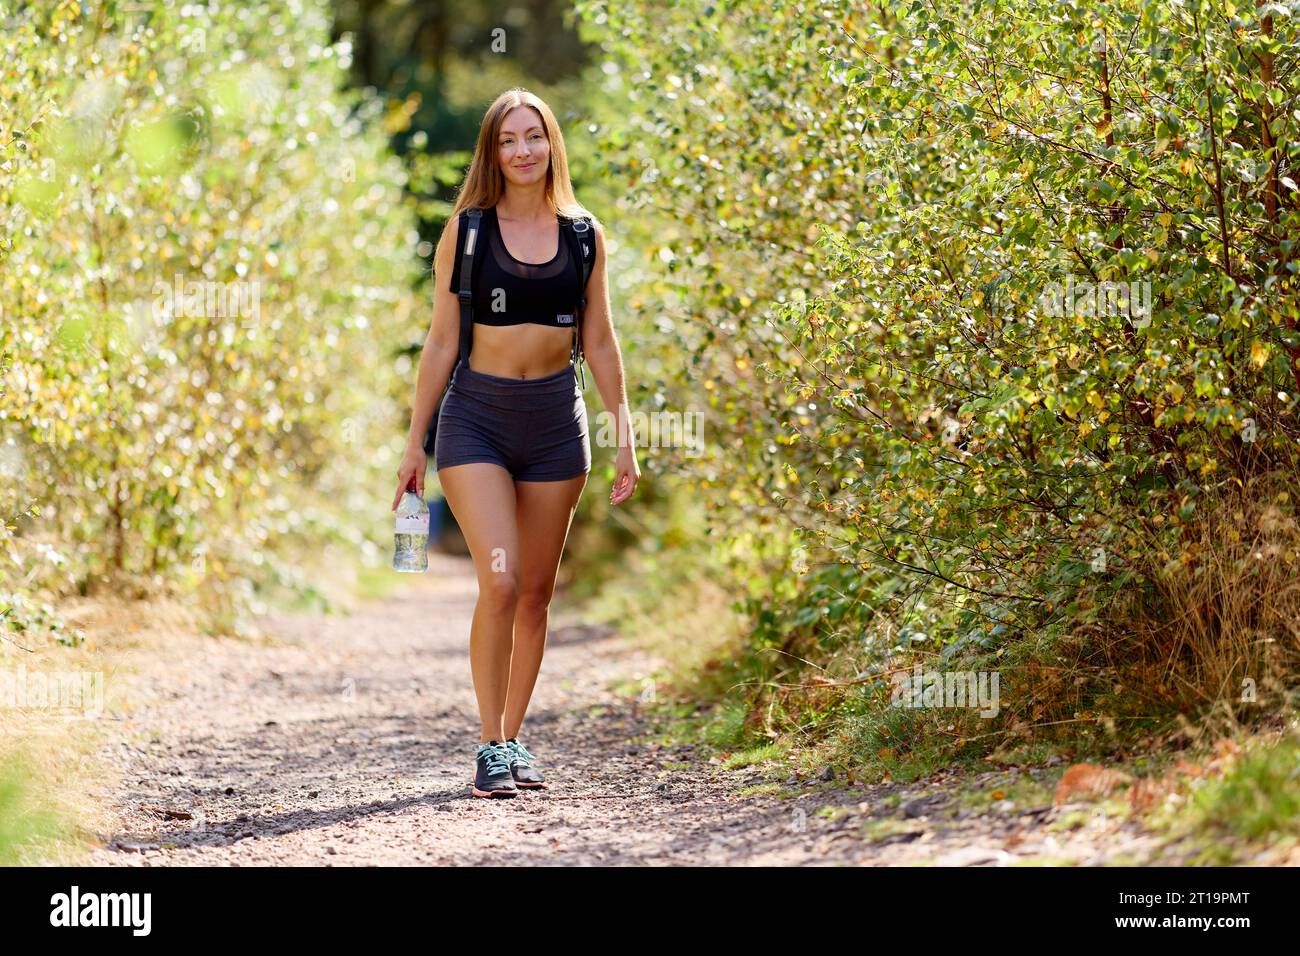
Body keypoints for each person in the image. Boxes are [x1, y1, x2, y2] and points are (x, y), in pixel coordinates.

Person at [392, 88, 641, 798]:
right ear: (492, 152)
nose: (523, 150)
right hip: (477, 419)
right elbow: (442, 340)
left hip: (556, 423)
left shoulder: (585, 233)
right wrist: (415, 442)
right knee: (499, 580)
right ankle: (487, 744)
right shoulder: (467, 232)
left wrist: (624, 431)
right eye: (508, 140)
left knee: (534, 593)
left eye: (534, 136)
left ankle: (513, 739)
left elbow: (599, 337)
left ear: (552, 144)